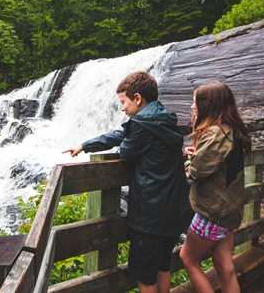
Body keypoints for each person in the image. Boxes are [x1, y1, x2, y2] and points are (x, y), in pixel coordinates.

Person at [63, 71, 191, 293]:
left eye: (123, 101)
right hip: (173, 209)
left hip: (149, 215)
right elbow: (122, 133)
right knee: (162, 265)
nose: (121, 108)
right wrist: (85, 145)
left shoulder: (140, 125)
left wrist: (124, 145)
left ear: (138, 98)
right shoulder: (164, 119)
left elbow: (126, 151)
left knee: (144, 275)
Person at [179, 82, 251, 293]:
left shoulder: (215, 135)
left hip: (212, 212)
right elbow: (221, 165)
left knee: (188, 259)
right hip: (230, 211)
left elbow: (195, 173)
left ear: (208, 105)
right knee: (224, 265)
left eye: (195, 102)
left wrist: (188, 162)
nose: (192, 107)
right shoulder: (233, 131)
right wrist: (198, 153)